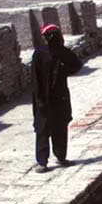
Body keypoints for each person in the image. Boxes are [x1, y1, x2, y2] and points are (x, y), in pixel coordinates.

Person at [30, 24, 81, 172]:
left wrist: (64, 71)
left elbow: (76, 65)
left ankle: (60, 157)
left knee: (59, 127)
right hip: (44, 97)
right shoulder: (40, 54)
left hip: (59, 97)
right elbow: (35, 77)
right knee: (43, 129)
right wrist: (39, 98)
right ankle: (42, 162)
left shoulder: (62, 52)